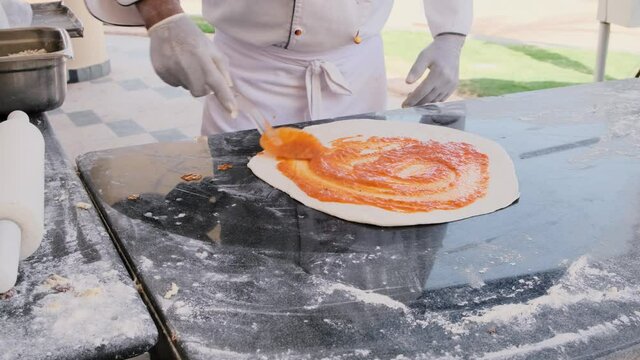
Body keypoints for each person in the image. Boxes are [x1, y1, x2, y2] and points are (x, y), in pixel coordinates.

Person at [85, 0, 472, 135]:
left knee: (359, 220)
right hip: (248, 72)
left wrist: (450, 33)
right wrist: (161, 13)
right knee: (246, 223)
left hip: (355, 73)